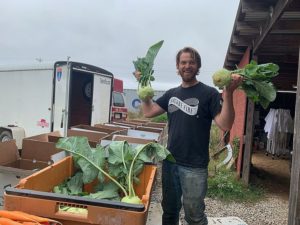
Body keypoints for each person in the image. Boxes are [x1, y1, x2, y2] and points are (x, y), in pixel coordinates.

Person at [135, 47, 242, 225]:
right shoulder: (171, 94)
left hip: (195, 166)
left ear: (197, 65)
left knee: (194, 216)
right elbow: (148, 111)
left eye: (191, 62)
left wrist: (229, 93)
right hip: (170, 162)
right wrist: (143, 87)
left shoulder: (209, 93)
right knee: (169, 212)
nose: (187, 66)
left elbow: (225, 124)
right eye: (183, 62)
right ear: (178, 66)